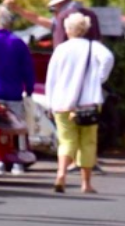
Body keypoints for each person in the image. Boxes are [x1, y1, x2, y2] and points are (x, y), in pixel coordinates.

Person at [45, 12, 114, 193]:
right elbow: (108, 58)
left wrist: (50, 102)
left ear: (68, 29)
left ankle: (61, 173)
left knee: (66, 140)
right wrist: (98, 78)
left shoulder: (61, 49)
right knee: (88, 142)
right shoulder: (94, 47)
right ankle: (86, 183)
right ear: (85, 29)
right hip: (89, 102)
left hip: (62, 102)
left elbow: (51, 78)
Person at [0, 6, 35, 119]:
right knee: (14, 130)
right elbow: (27, 69)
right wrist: (29, 90)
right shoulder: (19, 43)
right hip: (14, 94)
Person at [4, 0, 101, 47]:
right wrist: (18, 9)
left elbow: (42, 21)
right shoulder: (91, 14)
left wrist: (17, 9)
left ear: (58, 3)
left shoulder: (64, 16)